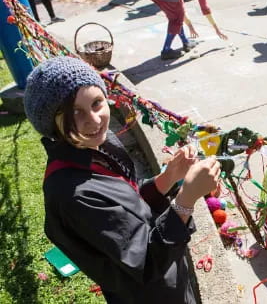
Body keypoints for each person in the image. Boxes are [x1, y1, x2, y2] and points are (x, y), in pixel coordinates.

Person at [23, 56, 221, 303]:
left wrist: (168, 178)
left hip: (169, 281)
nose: (94, 120)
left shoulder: (93, 146)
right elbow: (146, 263)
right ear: (51, 124)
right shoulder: (73, 195)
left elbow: (128, 204)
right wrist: (186, 199)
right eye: (75, 113)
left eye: (96, 103)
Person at [140, 0, 227, 60]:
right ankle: (166, 51)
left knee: (175, 15)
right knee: (176, 19)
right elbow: (205, 8)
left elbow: (181, 10)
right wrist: (217, 29)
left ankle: (186, 43)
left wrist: (190, 26)